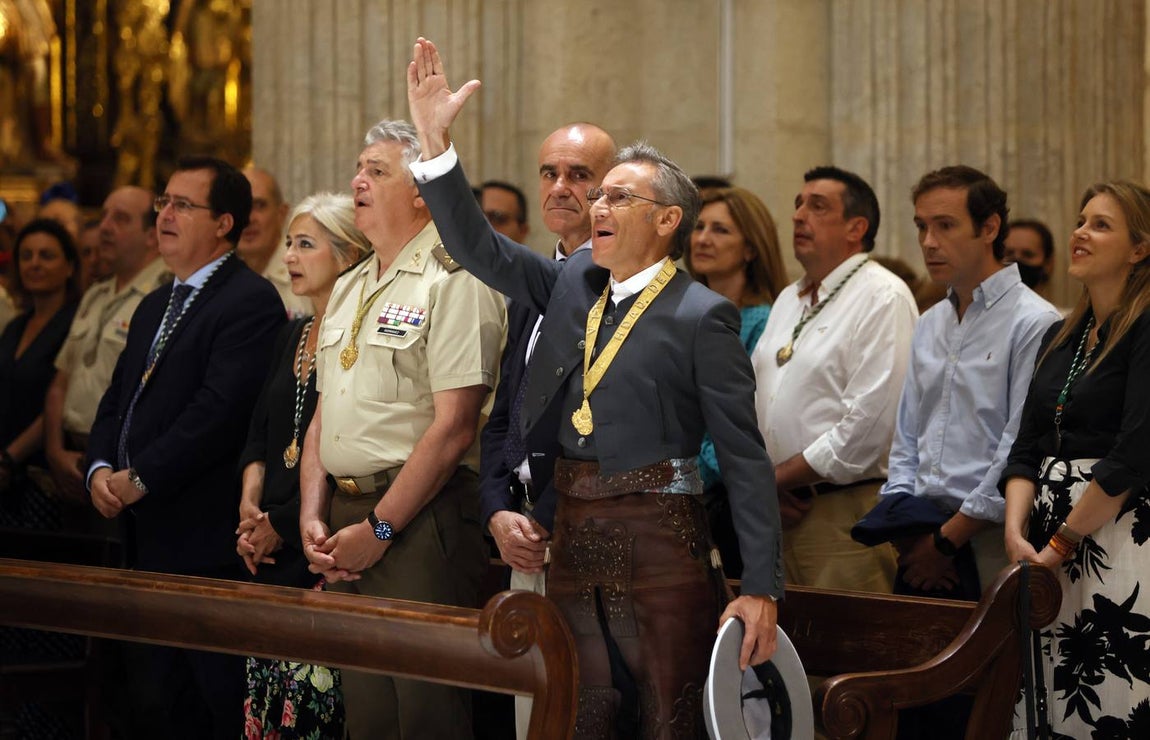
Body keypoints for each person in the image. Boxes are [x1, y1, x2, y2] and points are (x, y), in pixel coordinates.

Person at [408, 37, 781, 738]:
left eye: (616, 195)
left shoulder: (704, 316)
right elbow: (476, 247)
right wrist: (435, 143)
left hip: (660, 539)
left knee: (665, 715)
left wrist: (760, 587)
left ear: (667, 220)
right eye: (596, 195)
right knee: (580, 713)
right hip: (572, 537)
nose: (594, 205)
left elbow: (744, 457)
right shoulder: (572, 281)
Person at [297, 118, 505, 740]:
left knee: (426, 714)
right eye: (358, 170)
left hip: (420, 522)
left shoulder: (458, 276)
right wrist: (315, 512)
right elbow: (323, 415)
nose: (357, 182)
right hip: (346, 520)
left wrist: (381, 527)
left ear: (422, 192)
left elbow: (454, 428)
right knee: (366, 716)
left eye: (376, 171)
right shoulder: (353, 282)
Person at [86, 157, 285, 739]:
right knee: (151, 700)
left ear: (224, 222)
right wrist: (99, 466)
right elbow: (116, 401)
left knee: (208, 704)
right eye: (163, 203)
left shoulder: (248, 300)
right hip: (140, 535)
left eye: (182, 205)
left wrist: (140, 477)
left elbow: (216, 415)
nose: (164, 215)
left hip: (202, 540)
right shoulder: (155, 303)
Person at [479, 122, 616, 740]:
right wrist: (496, 511)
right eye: (550, 173)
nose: (561, 187)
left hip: (587, 529)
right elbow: (504, 415)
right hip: (522, 532)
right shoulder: (533, 286)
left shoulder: (622, 286)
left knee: (585, 710)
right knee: (529, 712)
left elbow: (607, 424)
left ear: (610, 191)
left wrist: (545, 517)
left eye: (579, 175)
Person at [1002, 180, 1150, 738]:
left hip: (1113, 534)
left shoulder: (1144, 324)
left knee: (1108, 693)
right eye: (1080, 220)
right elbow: (1026, 447)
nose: (1080, 232)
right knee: (1046, 695)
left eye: (1101, 224)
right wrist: (1017, 534)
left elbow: (1133, 453)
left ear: (1139, 249)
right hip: (1040, 541)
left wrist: (1061, 542)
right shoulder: (1062, 334)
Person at [881, 167, 1060, 599]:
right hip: (920, 531)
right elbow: (907, 437)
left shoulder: (1034, 321)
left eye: (945, 225)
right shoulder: (929, 323)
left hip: (989, 535)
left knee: (992, 665)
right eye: (921, 226)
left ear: (990, 227)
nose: (928, 241)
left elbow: (1019, 443)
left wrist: (948, 540)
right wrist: (905, 527)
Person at [236, 193, 370, 740]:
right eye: (289, 243)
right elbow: (260, 435)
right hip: (267, 542)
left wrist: (281, 524)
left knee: (316, 713)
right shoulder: (290, 332)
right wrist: (250, 504)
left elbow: (345, 449)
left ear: (348, 255)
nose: (289, 256)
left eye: (306, 245)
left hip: (318, 540)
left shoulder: (358, 338)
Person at [751, 166, 917, 593]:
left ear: (856, 227)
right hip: (778, 509)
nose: (798, 216)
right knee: (785, 654)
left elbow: (869, 428)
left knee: (847, 652)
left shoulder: (883, 295)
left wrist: (776, 479)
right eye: (798, 205)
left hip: (844, 513)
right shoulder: (791, 297)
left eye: (818, 206)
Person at [42, 186, 168, 520]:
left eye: (121, 219)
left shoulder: (163, 297)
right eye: (104, 217)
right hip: (71, 456)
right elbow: (60, 381)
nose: (105, 228)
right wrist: (55, 451)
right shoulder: (96, 294)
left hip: (120, 467)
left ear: (151, 236)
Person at [686, 186, 787, 577]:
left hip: (721, 494)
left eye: (720, 230)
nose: (703, 238)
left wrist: (690, 473)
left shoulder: (764, 320)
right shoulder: (681, 313)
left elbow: (736, 419)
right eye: (698, 227)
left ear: (750, 248)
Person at [0, 218, 80, 529]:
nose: (34, 264)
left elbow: (60, 399)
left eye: (46, 256)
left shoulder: (75, 323)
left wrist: (10, 456)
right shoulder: (15, 326)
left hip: (42, 475)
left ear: (69, 267)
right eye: (27, 255)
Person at [240, 166, 314, 319]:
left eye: (259, 206)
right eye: (240, 206)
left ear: (281, 213)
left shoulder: (306, 269)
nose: (248, 218)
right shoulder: (220, 279)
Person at [1003, 218, 1056, 296]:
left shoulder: (1049, 309)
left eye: (1027, 255)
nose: (1016, 260)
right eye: (1009, 253)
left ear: (1048, 264)